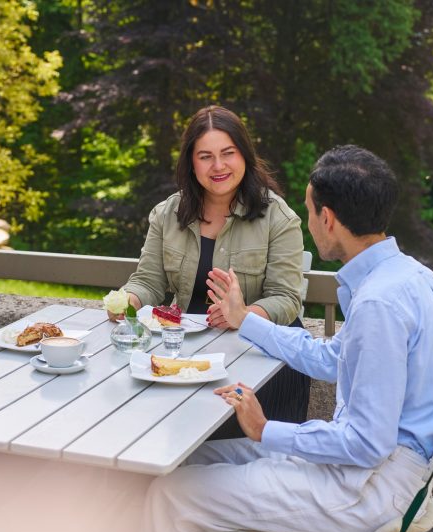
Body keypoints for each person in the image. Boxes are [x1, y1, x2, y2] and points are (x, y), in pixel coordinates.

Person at [140, 145, 433, 532]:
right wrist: (245, 320)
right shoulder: (409, 275)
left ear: (327, 218)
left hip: (368, 487)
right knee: (184, 464)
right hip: (375, 467)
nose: (308, 222)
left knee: (174, 495)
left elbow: (365, 445)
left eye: (310, 211)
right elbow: (333, 359)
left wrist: (264, 430)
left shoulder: (379, 303)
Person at [109, 105, 310, 431]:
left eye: (228, 153)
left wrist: (243, 315)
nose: (218, 166)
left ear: (244, 154)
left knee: (244, 461)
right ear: (191, 161)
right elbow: (148, 281)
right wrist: (129, 302)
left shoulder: (278, 217)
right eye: (205, 156)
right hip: (190, 359)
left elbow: (286, 299)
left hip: (263, 361)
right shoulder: (166, 214)